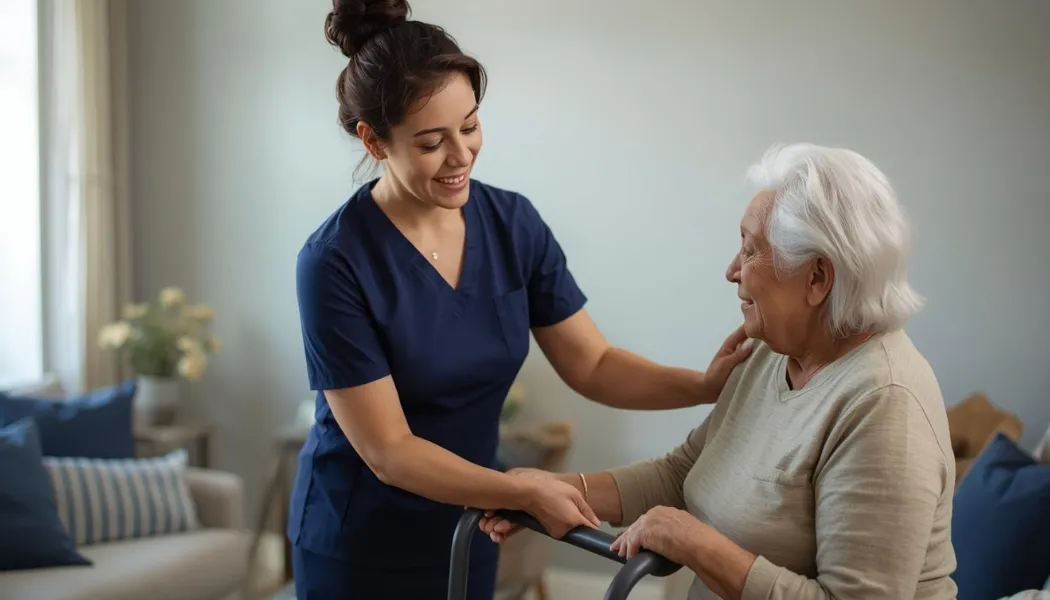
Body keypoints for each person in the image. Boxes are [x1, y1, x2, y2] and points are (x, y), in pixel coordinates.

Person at [289, 1, 752, 598]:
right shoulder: (335, 261)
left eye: (470, 126)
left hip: (467, 528)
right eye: (431, 142)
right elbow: (390, 451)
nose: (461, 156)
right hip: (360, 545)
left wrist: (703, 385)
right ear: (374, 141)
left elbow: (592, 363)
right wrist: (519, 490)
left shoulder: (512, 224)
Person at [483, 143, 958, 600]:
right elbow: (685, 472)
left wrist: (698, 544)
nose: (732, 270)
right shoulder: (773, 354)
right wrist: (557, 489)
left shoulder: (884, 404)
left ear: (817, 278)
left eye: (750, 251)